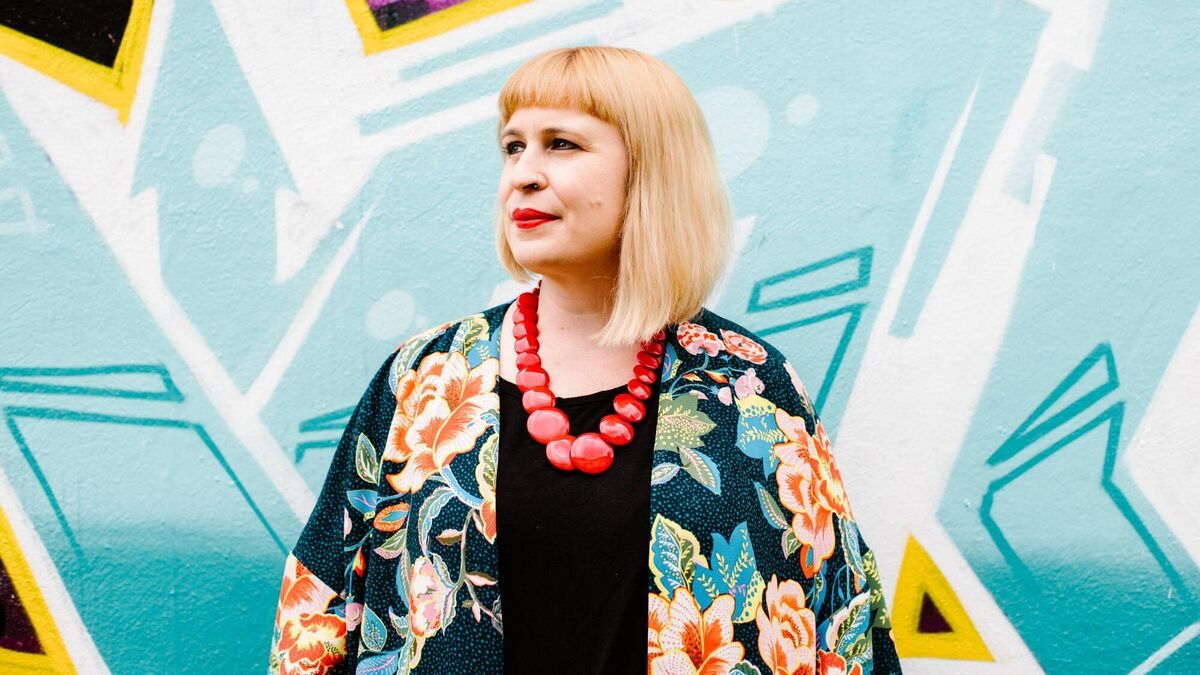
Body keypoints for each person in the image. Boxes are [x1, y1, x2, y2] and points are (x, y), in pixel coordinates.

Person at [269, 46, 902, 674]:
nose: (523, 174)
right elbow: (317, 616)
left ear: (650, 172)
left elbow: (841, 627)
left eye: (561, 144)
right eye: (513, 146)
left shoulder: (750, 386)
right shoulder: (425, 381)